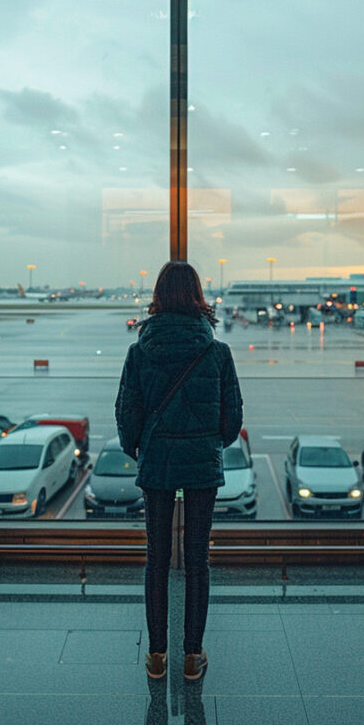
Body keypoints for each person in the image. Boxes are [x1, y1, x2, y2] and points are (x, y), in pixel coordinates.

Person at [115, 260, 243, 681]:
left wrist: (140, 447)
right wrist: (208, 445)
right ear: (198, 297)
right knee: (197, 561)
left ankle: (156, 656)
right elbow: (232, 419)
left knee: (156, 560)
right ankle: (192, 656)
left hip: (156, 464)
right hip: (202, 465)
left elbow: (126, 412)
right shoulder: (217, 352)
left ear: (157, 297)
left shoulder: (139, 352)